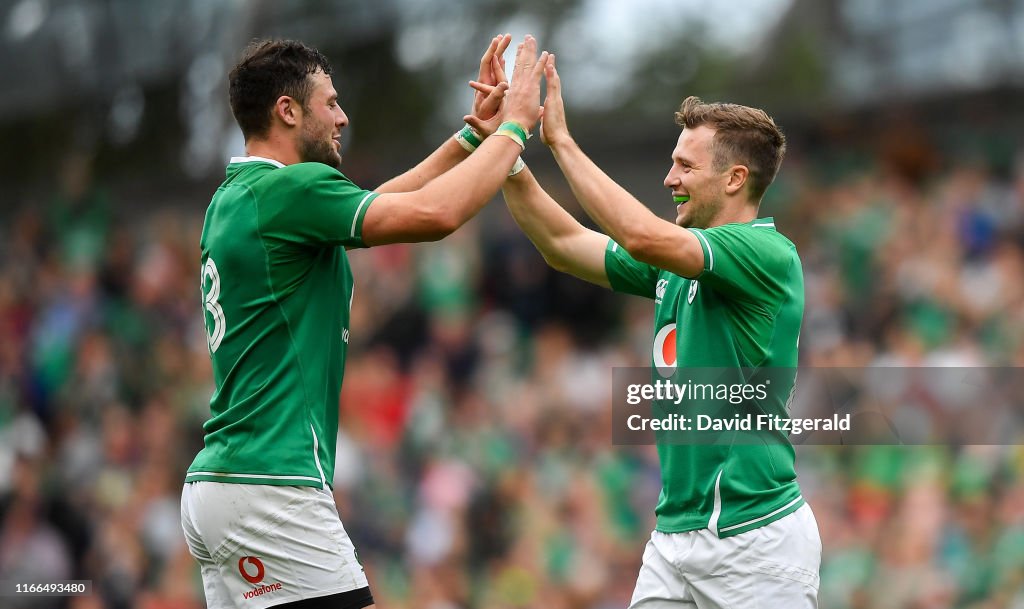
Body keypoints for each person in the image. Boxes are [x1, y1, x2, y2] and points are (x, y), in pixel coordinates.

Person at [179, 35, 549, 609]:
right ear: (287, 110)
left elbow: (382, 203)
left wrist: (471, 138)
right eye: (330, 102)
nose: (343, 116)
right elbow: (437, 214)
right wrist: (516, 128)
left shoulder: (235, 197)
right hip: (274, 483)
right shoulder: (290, 189)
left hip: (219, 487)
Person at [466, 57, 821, 607]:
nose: (669, 178)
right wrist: (507, 150)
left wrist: (560, 141)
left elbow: (638, 234)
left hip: (755, 538)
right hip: (676, 535)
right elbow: (562, 244)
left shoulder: (766, 253)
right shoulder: (678, 261)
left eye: (684, 166)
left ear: (734, 178)